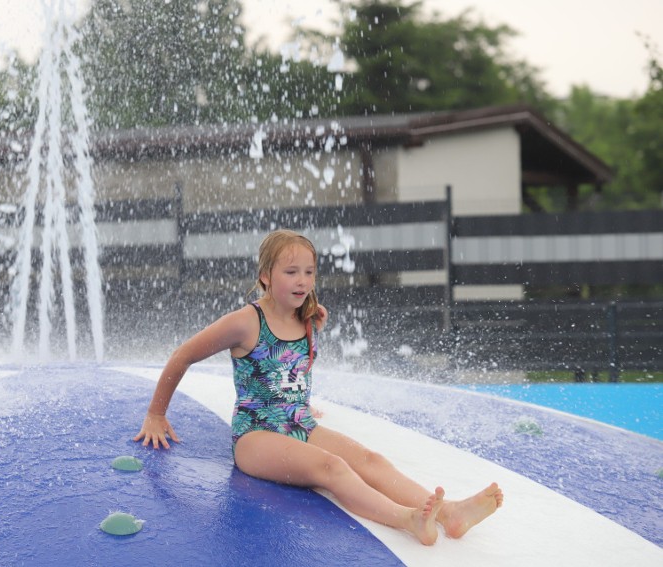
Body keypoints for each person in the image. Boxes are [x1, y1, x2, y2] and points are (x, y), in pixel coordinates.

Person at [134, 229, 503, 545]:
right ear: (265, 276)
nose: (302, 281)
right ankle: (409, 519)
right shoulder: (245, 322)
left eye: (309, 272)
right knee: (333, 468)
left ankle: (450, 514)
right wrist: (156, 413)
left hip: (299, 423)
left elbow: (293, 371)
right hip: (256, 436)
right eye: (291, 271)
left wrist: (302, 402)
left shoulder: (306, 317)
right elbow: (183, 355)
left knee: (369, 460)